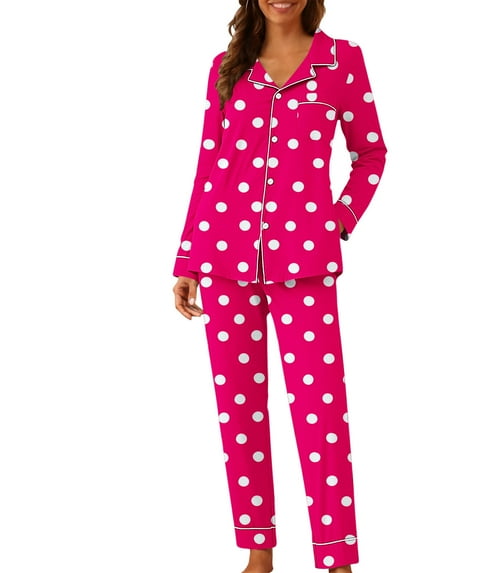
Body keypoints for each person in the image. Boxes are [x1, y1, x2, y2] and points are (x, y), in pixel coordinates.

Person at [172, 1, 387, 571]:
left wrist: (338, 219)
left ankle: (337, 558)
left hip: (307, 266)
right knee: (239, 413)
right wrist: (188, 257)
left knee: (322, 411)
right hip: (224, 261)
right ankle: (258, 553)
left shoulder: (341, 61)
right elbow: (209, 167)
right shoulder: (228, 66)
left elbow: (371, 153)